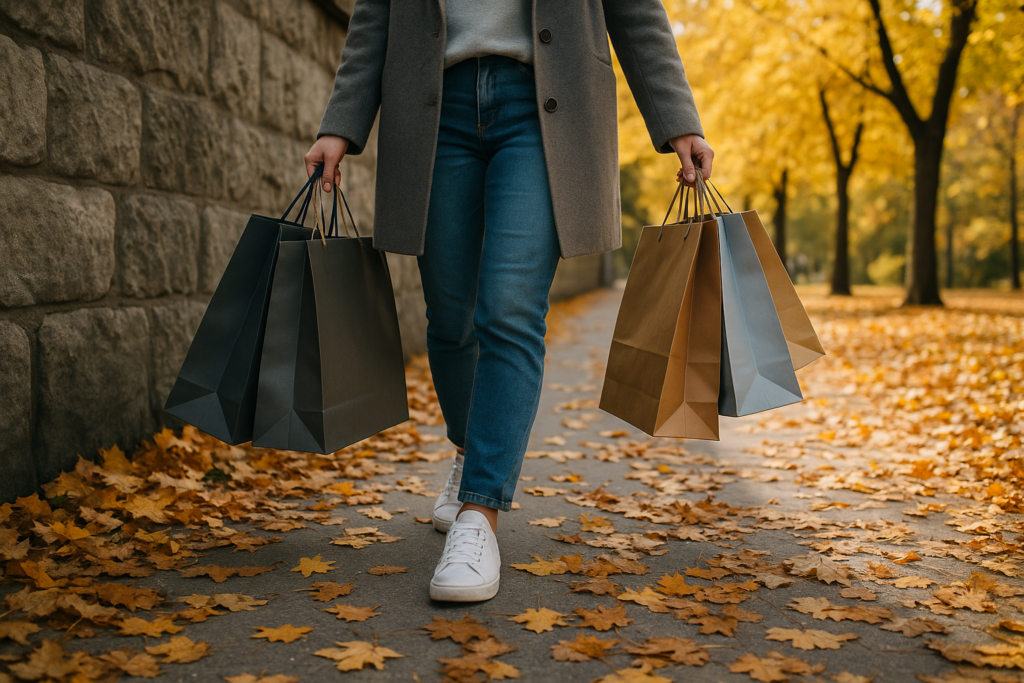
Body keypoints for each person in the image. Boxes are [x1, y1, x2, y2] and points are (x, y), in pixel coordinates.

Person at [305, 0, 714, 603]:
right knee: (449, 317)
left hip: (547, 104)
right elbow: (375, 15)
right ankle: (474, 454)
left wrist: (678, 117)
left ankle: (479, 514)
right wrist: (340, 122)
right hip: (431, 105)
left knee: (509, 309)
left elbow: (634, 8)